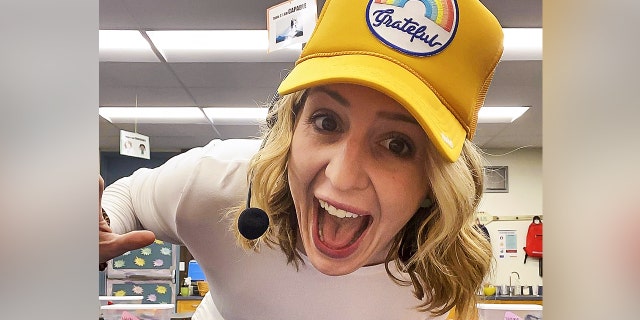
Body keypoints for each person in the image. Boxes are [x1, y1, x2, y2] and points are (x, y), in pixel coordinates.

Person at [99, 0, 503, 319]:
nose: (342, 178)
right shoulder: (220, 184)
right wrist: (100, 225)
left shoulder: (446, 267)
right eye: (326, 121)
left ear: (435, 184)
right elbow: (130, 196)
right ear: (290, 127)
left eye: (397, 144)